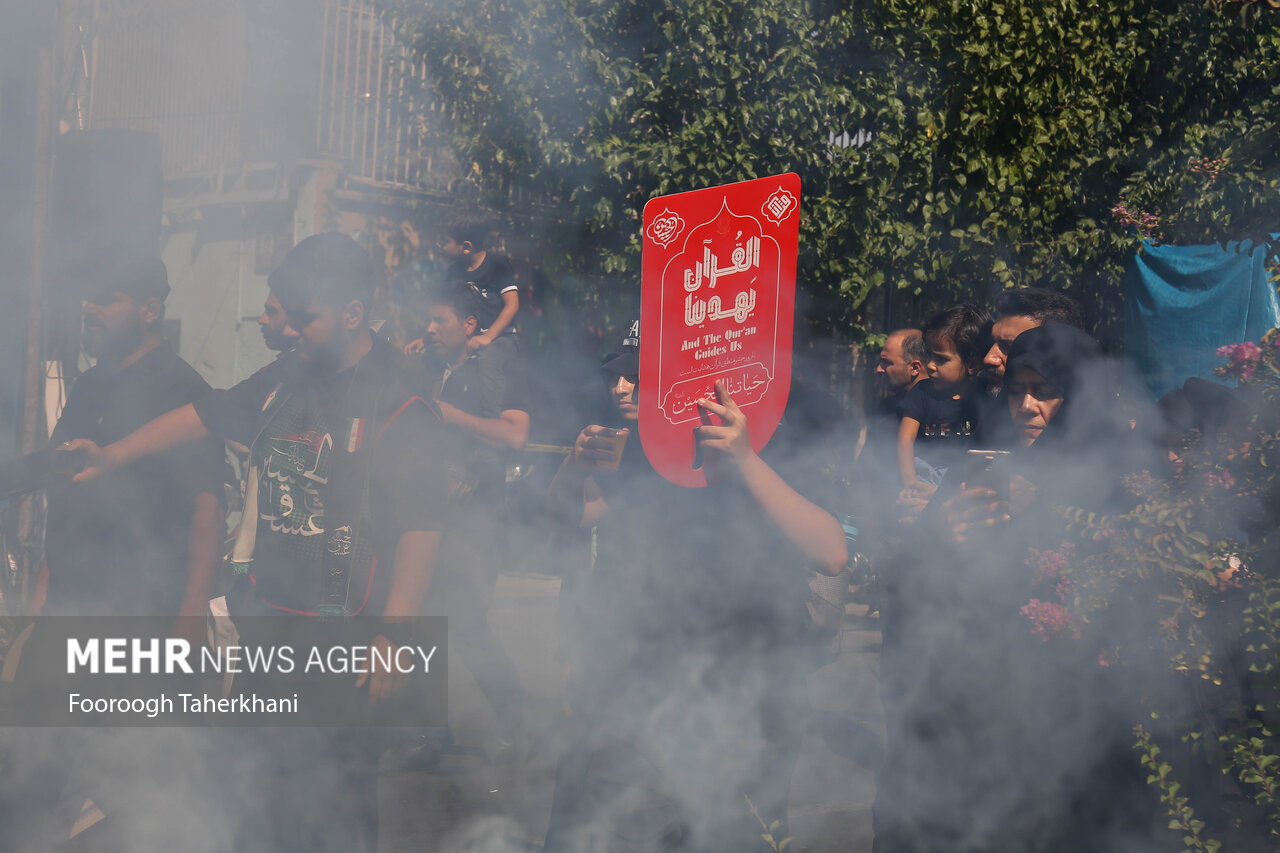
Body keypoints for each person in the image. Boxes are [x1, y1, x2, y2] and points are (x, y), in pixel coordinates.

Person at [64, 233, 453, 852]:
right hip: (269, 630)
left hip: (347, 644)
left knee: (335, 815)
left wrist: (396, 636)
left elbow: (422, 525)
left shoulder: (399, 401)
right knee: (255, 800)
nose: (290, 330)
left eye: (305, 318)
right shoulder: (284, 379)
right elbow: (205, 413)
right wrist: (113, 454)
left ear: (353, 313)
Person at [544, 321, 847, 853]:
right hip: (634, 692)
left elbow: (831, 551)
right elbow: (573, 515)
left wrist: (746, 461)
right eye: (616, 376)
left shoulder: (766, 441)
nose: (620, 389)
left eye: (637, 377)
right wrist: (574, 464)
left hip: (748, 701)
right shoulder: (637, 449)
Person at [875, 322, 1153, 853]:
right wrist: (941, 533)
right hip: (988, 724)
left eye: (1044, 390)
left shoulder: (1123, 475)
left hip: (1082, 735)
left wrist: (1045, 512)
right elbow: (914, 593)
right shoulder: (985, 466)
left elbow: (1128, 594)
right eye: (1017, 390)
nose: (1026, 406)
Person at [419, 280, 532, 760]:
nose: (428, 329)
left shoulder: (493, 363)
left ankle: (517, 717)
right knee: (428, 618)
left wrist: (448, 415)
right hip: (437, 517)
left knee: (462, 621)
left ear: (469, 326)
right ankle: (430, 733)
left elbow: (514, 436)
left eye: (438, 320)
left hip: (475, 520)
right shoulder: (440, 370)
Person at [896, 303, 991, 503]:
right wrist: (910, 483)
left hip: (960, 483)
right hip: (923, 476)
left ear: (972, 365)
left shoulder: (985, 397)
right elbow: (905, 441)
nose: (930, 365)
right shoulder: (921, 392)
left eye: (941, 359)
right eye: (930, 355)